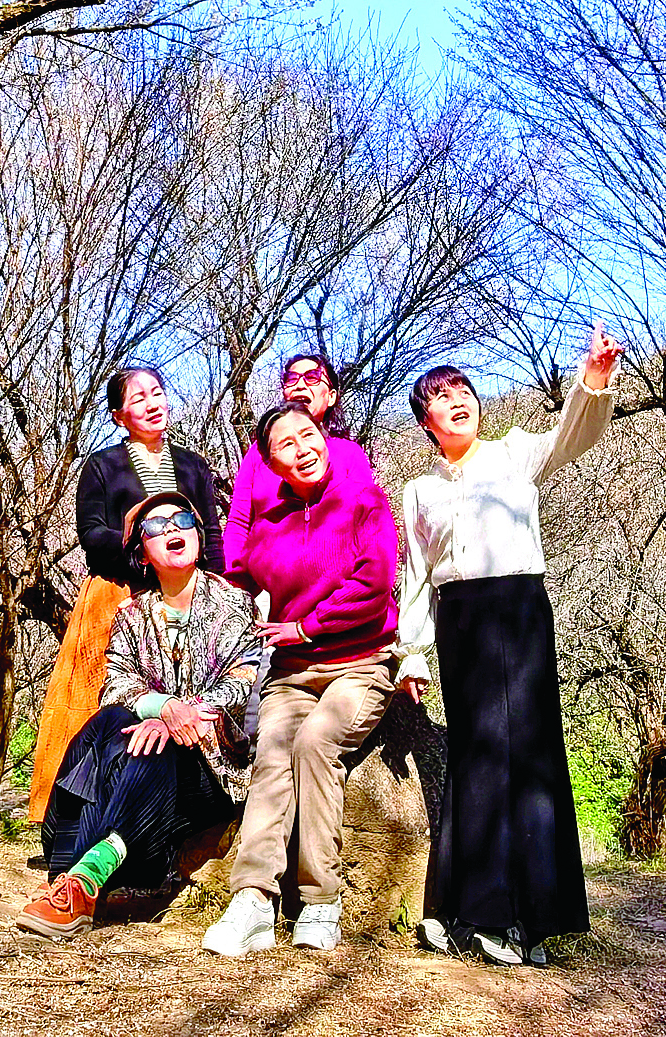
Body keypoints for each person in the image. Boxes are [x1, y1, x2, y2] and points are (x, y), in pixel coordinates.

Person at [399, 324, 622, 967]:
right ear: (427, 421)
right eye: (440, 396)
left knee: (530, 751)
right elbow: (415, 573)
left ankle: (533, 914)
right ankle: (469, 912)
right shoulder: (419, 490)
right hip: (460, 620)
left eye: (463, 388)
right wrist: (411, 652)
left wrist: (593, 380)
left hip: (521, 609)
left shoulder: (515, 453)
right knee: (477, 755)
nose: (457, 399)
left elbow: (573, 435)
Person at [200, 402, 404, 956]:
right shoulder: (269, 522)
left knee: (316, 743)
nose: (301, 447)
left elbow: (374, 584)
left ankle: (321, 899)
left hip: (360, 661)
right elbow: (240, 570)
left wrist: (307, 625)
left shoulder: (363, 496)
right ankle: (253, 901)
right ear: (272, 462)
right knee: (272, 752)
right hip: (291, 673)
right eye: (285, 444)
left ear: (324, 435)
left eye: (307, 434)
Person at [18, 490, 262, 938]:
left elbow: (240, 681)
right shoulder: (131, 614)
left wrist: (178, 715)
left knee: (147, 741)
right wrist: (162, 707)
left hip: (208, 765)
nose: (172, 529)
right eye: (155, 526)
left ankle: (77, 875)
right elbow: (117, 683)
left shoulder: (235, 602)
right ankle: (80, 878)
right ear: (142, 554)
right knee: (106, 723)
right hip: (140, 754)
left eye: (182, 519)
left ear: (198, 532)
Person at [26, 368, 227, 829]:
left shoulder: (194, 465)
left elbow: (210, 533)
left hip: (188, 593)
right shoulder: (101, 466)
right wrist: (145, 558)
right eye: (138, 399)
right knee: (101, 698)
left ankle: (170, 810)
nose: (152, 403)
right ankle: (81, 814)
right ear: (119, 415)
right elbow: (92, 535)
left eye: (157, 392)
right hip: (118, 591)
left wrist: (212, 586)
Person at [222, 351, 376, 578]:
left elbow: (367, 525)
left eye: (312, 377)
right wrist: (232, 585)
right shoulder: (259, 453)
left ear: (331, 396)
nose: (300, 385)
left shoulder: (349, 453)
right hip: (270, 583)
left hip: (341, 581)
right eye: (291, 379)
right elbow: (239, 523)